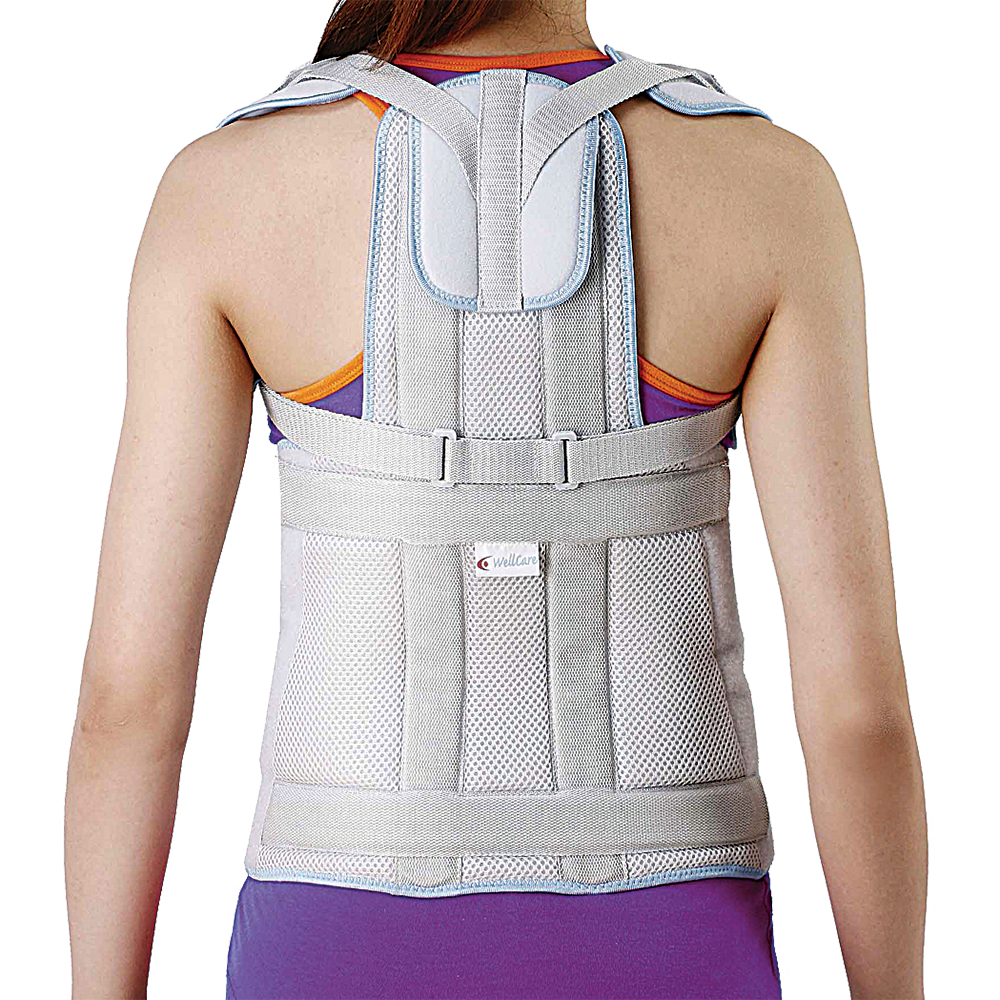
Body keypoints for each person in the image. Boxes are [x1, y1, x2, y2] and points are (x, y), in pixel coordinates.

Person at [64, 1, 928, 998]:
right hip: (671, 938)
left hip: (335, 939)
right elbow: (856, 711)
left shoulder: (228, 189)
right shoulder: (769, 186)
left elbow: (129, 698)